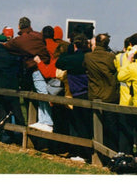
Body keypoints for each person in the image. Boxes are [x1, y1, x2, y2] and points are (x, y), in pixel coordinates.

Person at [56, 33, 93, 161]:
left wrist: (69, 50)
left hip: (77, 94)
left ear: (75, 45)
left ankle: (81, 153)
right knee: (89, 125)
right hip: (91, 93)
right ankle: (89, 153)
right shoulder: (89, 57)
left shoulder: (72, 59)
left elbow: (59, 63)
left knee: (78, 125)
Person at [82, 32, 119, 154]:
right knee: (111, 128)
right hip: (110, 96)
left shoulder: (88, 57)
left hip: (95, 95)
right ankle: (112, 153)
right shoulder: (110, 57)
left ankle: (98, 152)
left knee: (97, 127)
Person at [30, 25, 65, 132]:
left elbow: (47, 71)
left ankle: (45, 122)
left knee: (42, 99)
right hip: (58, 82)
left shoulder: (43, 46)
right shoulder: (59, 47)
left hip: (46, 75)